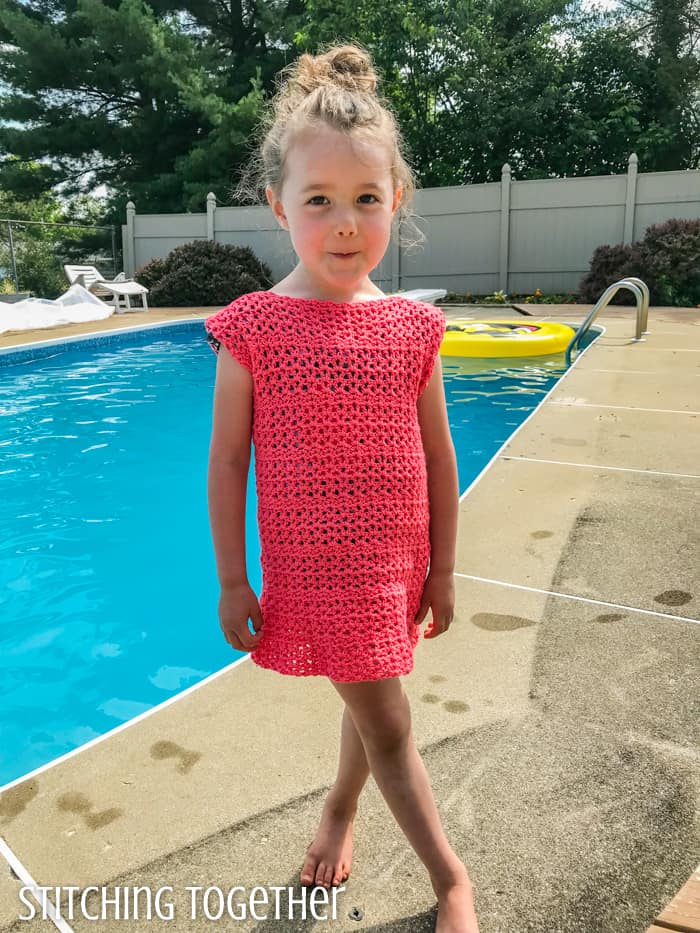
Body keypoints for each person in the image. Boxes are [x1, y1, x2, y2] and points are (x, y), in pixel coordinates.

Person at [204, 42, 480, 933]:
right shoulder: (253, 328)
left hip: (395, 563)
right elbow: (228, 463)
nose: (345, 223)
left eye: (366, 199)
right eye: (318, 200)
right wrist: (233, 577)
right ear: (277, 204)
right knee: (389, 719)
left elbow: (439, 456)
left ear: (395, 201)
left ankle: (339, 810)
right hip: (314, 568)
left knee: (372, 696)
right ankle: (451, 879)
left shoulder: (412, 328)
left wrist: (441, 567)